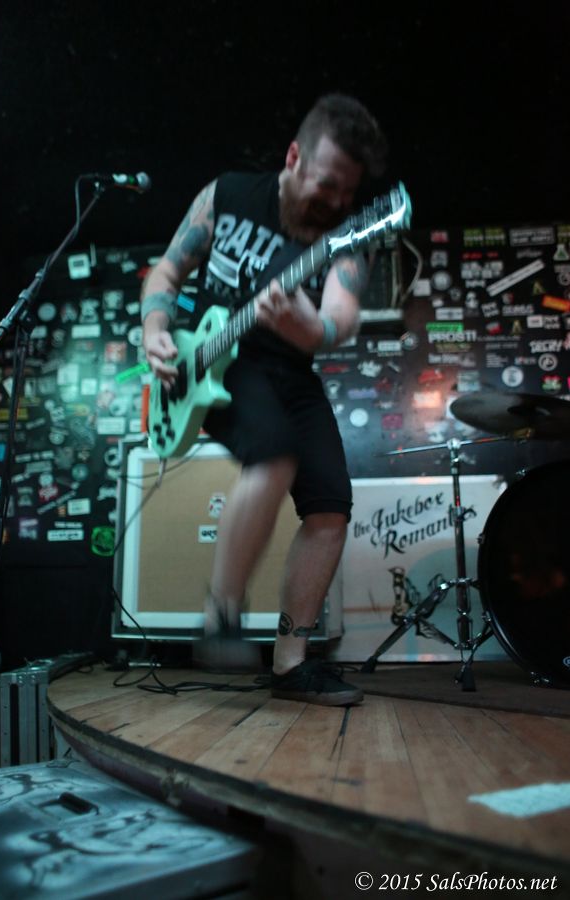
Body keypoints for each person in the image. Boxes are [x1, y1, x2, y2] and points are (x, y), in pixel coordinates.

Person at [141, 93, 388, 706]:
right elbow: (167, 272)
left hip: (290, 372)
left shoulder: (348, 233)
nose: (335, 201)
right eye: (326, 184)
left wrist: (314, 328)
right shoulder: (226, 196)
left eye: (347, 191)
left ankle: (289, 664)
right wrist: (154, 327)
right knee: (274, 452)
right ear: (294, 156)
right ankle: (221, 611)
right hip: (215, 363)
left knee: (330, 505)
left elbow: (340, 316)